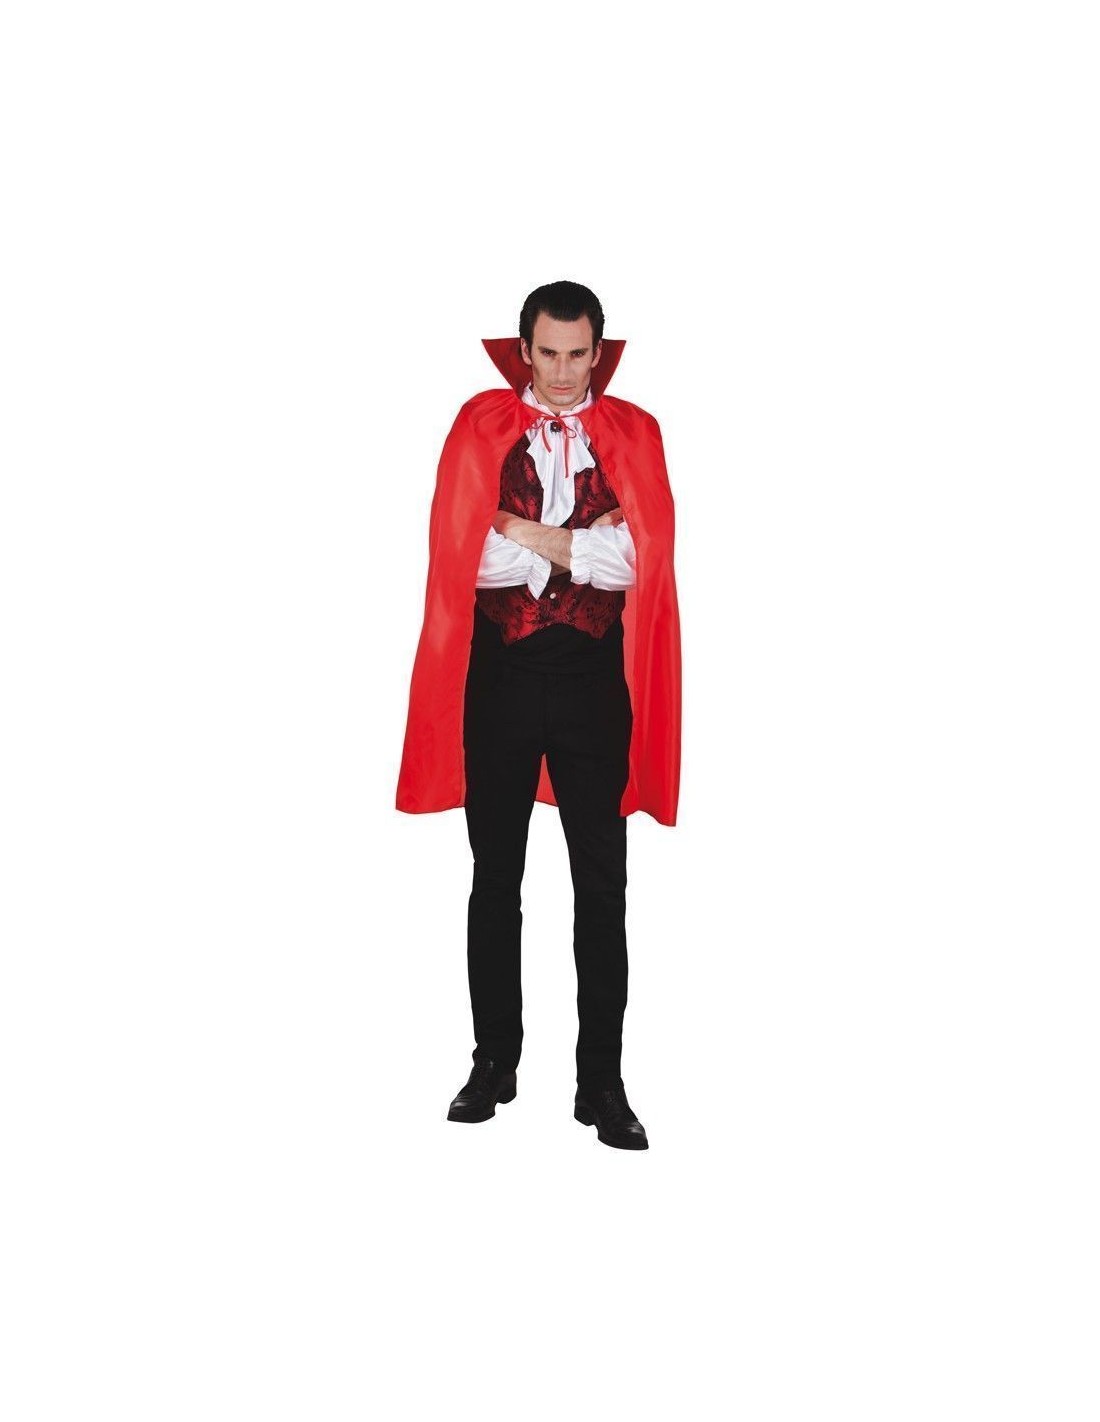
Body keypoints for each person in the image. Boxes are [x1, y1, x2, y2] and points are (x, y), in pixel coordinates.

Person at [397, 281, 681, 1150]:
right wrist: (586, 546)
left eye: (577, 354)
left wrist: (526, 533)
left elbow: (639, 564)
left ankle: (602, 1082)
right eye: (547, 354)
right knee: (496, 878)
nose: (562, 373)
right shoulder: (479, 427)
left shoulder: (635, 435)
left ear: (600, 352)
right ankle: (494, 1061)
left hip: (595, 687)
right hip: (503, 682)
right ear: (524, 350)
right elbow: (466, 559)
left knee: (603, 886)